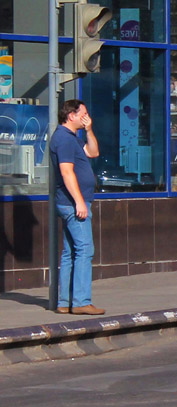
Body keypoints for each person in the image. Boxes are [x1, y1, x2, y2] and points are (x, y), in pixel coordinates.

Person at [50, 100, 104, 315]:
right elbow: (66, 172)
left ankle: (65, 302)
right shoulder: (63, 139)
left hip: (72, 202)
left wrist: (89, 129)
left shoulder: (72, 138)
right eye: (84, 114)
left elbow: (93, 152)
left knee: (70, 251)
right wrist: (80, 201)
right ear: (71, 115)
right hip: (73, 204)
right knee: (84, 250)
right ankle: (81, 301)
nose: (86, 117)